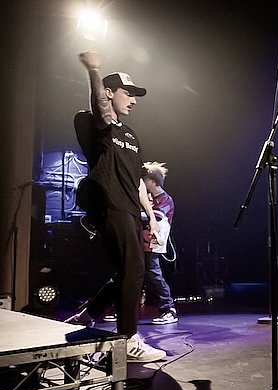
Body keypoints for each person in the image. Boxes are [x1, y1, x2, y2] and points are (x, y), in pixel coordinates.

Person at [65, 50, 166, 363]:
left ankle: (87, 315)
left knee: (127, 271)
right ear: (109, 92)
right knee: (134, 269)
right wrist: (94, 69)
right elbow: (101, 110)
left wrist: (150, 217)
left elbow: (138, 182)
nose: (134, 101)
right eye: (128, 93)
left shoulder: (131, 135)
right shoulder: (91, 121)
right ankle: (128, 340)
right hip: (110, 206)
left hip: (131, 210)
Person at [142, 161, 178, 325]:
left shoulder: (165, 199)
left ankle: (169, 309)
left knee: (153, 274)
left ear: (152, 181)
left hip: (153, 242)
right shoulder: (149, 198)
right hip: (142, 240)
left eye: (145, 179)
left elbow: (156, 217)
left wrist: (135, 213)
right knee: (137, 274)